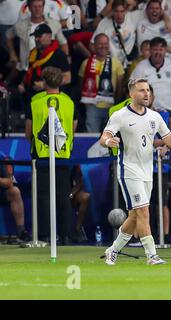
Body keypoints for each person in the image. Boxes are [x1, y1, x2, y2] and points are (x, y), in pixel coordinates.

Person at [100, 78, 171, 265]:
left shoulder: (155, 117)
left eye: (148, 90)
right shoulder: (120, 115)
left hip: (147, 171)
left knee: (135, 216)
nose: (146, 94)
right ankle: (152, 255)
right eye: (141, 90)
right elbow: (104, 136)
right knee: (143, 211)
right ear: (131, 94)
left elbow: (169, 140)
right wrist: (109, 142)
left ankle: (113, 250)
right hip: (129, 170)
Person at [25, 66, 77, 244]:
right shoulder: (69, 102)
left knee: (43, 196)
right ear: (61, 81)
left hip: (42, 155)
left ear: (44, 82)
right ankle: (66, 235)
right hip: (62, 154)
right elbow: (73, 126)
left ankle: (45, 235)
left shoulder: (35, 102)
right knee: (63, 195)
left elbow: (29, 131)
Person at [79, 33, 125, 133]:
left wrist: (116, 104)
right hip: (92, 107)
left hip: (111, 106)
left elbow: (120, 86)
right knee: (91, 136)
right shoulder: (86, 63)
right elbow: (81, 84)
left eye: (105, 43)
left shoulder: (116, 63)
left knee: (110, 136)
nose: (103, 46)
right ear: (94, 46)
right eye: (100, 43)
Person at [0, 152, 30, 242]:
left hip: (2, 192)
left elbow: (9, 182)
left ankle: (21, 232)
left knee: (14, 192)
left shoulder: (4, 158)